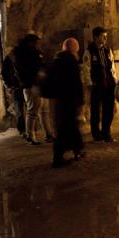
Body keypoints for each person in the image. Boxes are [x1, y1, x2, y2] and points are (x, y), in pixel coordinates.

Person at [41, 38, 85, 168]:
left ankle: (76, 151)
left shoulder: (56, 61)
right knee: (69, 128)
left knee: (65, 128)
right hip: (69, 100)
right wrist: (80, 103)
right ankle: (59, 158)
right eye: (77, 50)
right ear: (73, 50)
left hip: (58, 101)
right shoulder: (71, 62)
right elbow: (77, 85)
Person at [13, 32, 52, 145]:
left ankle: (48, 134)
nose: (38, 44)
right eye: (36, 42)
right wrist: (33, 78)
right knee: (32, 111)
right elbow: (25, 71)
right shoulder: (23, 54)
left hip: (40, 85)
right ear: (30, 42)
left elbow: (41, 65)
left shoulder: (35, 52)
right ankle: (30, 136)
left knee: (44, 111)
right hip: (31, 85)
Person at [81, 27, 117, 143]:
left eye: (106, 36)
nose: (105, 38)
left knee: (108, 110)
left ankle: (106, 133)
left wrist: (114, 80)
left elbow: (112, 68)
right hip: (97, 85)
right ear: (96, 37)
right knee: (95, 111)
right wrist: (89, 83)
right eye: (103, 36)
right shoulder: (89, 51)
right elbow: (86, 68)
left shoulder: (107, 50)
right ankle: (96, 134)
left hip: (109, 85)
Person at [0, 49, 26, 137]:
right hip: (18, 87)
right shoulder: (10, 58)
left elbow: (3, 72)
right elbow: (4, 72)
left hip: (20, 86)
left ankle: (25, 130)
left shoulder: (11, 58)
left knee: (21, 110)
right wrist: (9, 85)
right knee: (20, 110)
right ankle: (23, 130)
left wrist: (8, 85)